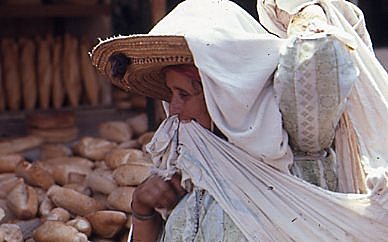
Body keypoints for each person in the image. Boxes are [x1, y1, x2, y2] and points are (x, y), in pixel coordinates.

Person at [91, 0, 388, 241]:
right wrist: (143, 211)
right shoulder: (190, 168)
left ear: (227, 94)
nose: (175, 110)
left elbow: (315, 56)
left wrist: (302, 12)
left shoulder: (292, 165)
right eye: (171, 94)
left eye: (183, 93)